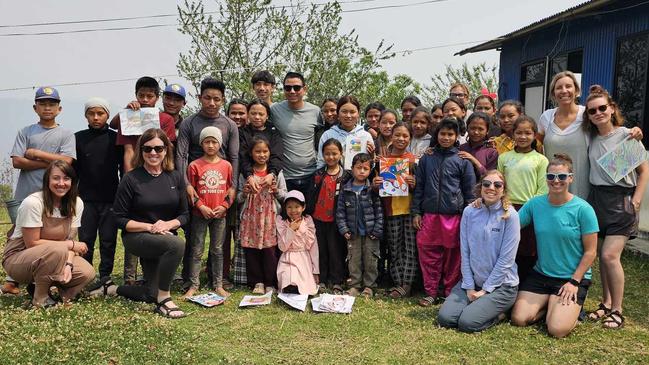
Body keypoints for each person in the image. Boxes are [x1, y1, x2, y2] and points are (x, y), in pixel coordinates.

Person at [97, 128, 188, 319]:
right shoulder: (131, 179)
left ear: (166, 150)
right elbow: (119, 218)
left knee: (150, 294)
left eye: (158, 148)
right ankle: (165, 299)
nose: (153, 153)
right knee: (177, 244)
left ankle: (112, 289)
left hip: (164, 236)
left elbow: (185, 214)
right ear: (141, 151)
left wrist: (167, 224)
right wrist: (150, 227)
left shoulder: (176, 176)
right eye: (147, 149)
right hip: (137, 237)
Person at [510, 154, 598, 338]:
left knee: (557, 330)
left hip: (570, 278)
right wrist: (484, 204)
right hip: (541, 274)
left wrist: (574, 282)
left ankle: (566, 309)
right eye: (551, 177)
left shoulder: (584, 209)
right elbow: (510, 224)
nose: (556, 181)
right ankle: (552, 305)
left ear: (571, 178)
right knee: (519, 319)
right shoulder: (535, 204)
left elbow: (591, 252)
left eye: (562, 177)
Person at [584, 85, 649, 329]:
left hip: (622, 200)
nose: (598, 113)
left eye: (603, 108)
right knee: (601, 256)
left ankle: (618, 310)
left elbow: (644, 171)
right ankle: (605, 304)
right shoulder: (589, 137)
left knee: (611, 255)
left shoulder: (627, 135)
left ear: (612, 109)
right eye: (592, 111)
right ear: (588, 115)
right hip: (597, 199)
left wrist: (637, 200)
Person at [4, 86, 77, 295]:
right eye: (43, 103)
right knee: (18, 235)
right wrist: (52, 164)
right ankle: (13, 279)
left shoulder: (65, 134)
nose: (47, 108)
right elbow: (17, 161)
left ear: (59, 108)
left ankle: (44, 277)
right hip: (26, 194)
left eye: (52, 104)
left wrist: (36, 154)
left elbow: (68, 161)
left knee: (49, 236)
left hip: (54, 196)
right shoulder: (25, 131)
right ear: (35, 107)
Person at [176, 77, 239, 289]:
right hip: (195, 186)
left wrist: (232, 188)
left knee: (218, 244)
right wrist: (186, 185)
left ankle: (217, 280)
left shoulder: (229, 125)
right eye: (207, 98)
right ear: (200, 97)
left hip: (220, 189)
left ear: (223, 100)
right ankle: (190, 281)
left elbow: (234, 157)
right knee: (195, 240)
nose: (212, 103)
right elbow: (181, 156)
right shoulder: (189, 123)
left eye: (217, 99)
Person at [2, 160, 94, 307]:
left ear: (73, 181)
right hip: (19, 257)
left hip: (55, 255)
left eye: (66, 178)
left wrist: (69, 264)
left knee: (87, 272)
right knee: (57, 250)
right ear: (47, 180)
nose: (61, 183)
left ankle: (65, 295)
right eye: (56, 178)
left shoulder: (76, 203)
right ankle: (41, 298)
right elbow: (32, 243)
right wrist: (69, 245)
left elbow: (70, 240)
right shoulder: (33, 203)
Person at [538, 71, 642, 199]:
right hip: (553, 187)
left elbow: (608, 131)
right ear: (553, 93)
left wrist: (630, 133)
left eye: (568, 86)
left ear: (576, 90)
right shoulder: (546, 117)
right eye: (559, 87)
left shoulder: (587, 113)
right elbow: (536, 149)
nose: (564, 90)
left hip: (584, 191)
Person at [438, 170, 520, 333]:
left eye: (497, 185)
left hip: (502, 286)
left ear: (503, 190)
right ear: (480, 187)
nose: (491, 188)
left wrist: (485, 290)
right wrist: (469, 286)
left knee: (467, 323)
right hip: (473, 282)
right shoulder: (470, 212)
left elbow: (506, 260)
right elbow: (465, 252)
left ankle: (501, 314)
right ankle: (477, 305)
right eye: (487, 184)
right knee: (445, 319)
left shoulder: (510, 216)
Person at [413, 118, 476, 307]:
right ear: (436, 135)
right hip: (430, 215)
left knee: (453, 256)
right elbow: (419, 187)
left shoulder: (462, 160)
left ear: (457, 136)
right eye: (442, 134)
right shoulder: (427, 158)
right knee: (428, 254)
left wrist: (468, 216)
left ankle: (449, 292)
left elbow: (470, 191)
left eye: (450, 134)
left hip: (454, 216)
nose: (446, 137)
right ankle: (431, 292)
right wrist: (416, 212)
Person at [74, 97, 122, 283]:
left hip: (111, 198)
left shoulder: (115, 138)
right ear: (86, 115)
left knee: (108, 240)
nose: (96, 117)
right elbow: (73, 170)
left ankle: (105, 276)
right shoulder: (78, 138)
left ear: (107, 115)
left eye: (100, 113)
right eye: (91, 114)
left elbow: (122, 167)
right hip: (85, 199)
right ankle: (86, 276)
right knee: (86, 240)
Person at [185, 127, 235, 298]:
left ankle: (218, 284)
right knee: (197, 249)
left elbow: (231, 189)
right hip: (201, 214)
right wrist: (200, 206)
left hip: (220, 214)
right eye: (207, 141)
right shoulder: (194, 166)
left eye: (214, 142)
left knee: (217, 249)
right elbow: (191, 190)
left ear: (219, 144)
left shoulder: (226, 165)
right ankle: (193, 284)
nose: (211, 145)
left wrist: (225, 206)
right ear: (202, 144)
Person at [497, 116, 548, 282]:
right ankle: (506, 285)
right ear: (513, 134)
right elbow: (499, 183)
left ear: (534, 135)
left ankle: (525, 286)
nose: (523, 137)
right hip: (507, 208)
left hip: (530, 210)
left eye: (528, 133)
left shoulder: (540, 160)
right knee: (508, 249)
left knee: (528, 250)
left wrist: (530, 209)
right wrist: (504, 203)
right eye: (519, 132)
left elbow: (543, 188)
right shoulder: (504, 158)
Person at [372, 123, 417, 298]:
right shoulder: (383, 161)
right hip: (390, 210)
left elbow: (420, 187)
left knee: (410, 248)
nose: (401, 139)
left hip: (409, 210)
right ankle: (397, 282)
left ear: (410, 138)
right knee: (395, 247)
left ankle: (407, 284)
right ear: (391, 136)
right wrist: (376, 186)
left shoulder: (413, 160)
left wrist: (414, 183)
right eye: (397, 135)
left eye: (405, 136)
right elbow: (377, 187)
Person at [238, 137, 287, 294]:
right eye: (257, 151)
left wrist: (276, 191)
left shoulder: (276, 173)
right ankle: (256, 281)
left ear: (270, 152)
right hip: (251, 218)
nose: (261, 154)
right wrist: (244, 193)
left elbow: (285, 195)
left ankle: (270, 282)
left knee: (270, 251)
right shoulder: (246, 174)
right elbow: (238, 197)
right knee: (251, 250)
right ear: (251, 154)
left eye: (265, 151)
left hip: (269, 217)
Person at [336, 153, 383, 297]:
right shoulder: (346, 189)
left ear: (370, 171)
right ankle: (355, 285)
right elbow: (340, 212)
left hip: (371, 233)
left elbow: (379, 211)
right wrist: (344, 229)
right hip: (353, 233)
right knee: (353, 260)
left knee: (371, 259)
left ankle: (369, 286)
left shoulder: (372, 189)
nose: (362, 171)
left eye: (365, 169)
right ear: (352, 169)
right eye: (358, 168)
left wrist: (377, 229)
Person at [110, 76, 177, 172]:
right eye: (141, 96)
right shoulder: (128, 117)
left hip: (159, 172)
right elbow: (129, 151)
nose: (145, 100)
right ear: (136, 95)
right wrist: (129, 178)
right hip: (134, 171)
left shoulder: (166, 119)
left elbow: (168, 150)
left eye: (150, 96)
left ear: (157, 97)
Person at [270, 71, 321, 196]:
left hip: (311, 174)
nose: (292, 91)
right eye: (288, 88)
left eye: (297, 87)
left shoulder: (315, 111)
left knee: (309, 214)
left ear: (304, 89)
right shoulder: (275, 110)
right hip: (285, 177)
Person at [308, 138, 347, 293]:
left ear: (341, 154)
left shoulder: (346, 176)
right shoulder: (318, 174)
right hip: (318, 218)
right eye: (327, 154)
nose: (331, 157)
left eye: (334, 153)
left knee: (336, 250)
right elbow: (311, 195)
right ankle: (322, 279)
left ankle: (337, 280)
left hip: (336, 220)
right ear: (322, 155)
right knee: (321, 250)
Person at [276, 190, 319, 295]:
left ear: (303, 207)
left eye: (297, 206)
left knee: (302, 283)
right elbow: (282, 247)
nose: (293, 210)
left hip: (303, 259)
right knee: (287, 274)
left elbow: (314, 248)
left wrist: (315, 271)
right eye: (289, 207)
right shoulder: (282, 223)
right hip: (287, 258)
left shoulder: (308, 222)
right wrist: (291, 230)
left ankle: (296, 289)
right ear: (285, 208)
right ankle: (289, 288)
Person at [316, 96, 375, 169]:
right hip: (334, 179)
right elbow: (321, 162)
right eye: (344, 112)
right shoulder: (327, 135)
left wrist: (372, 157)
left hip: (359, 180)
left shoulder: (366, 136)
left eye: (352, 112)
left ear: (358, 113)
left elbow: (370, 166)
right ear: (338, 113)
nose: (348, 116)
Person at [458, 112, 498, 177]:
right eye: (473, 128)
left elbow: (490, 177)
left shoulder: (492, 152)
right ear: (467, 128)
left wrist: (475, 161)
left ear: (487, 131)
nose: (476, 132)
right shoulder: (460, 149)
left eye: (481, 129)